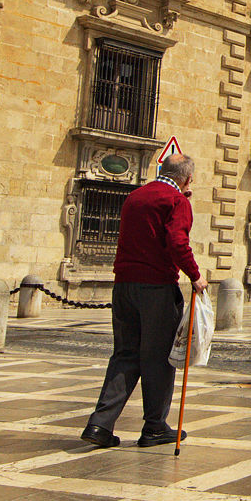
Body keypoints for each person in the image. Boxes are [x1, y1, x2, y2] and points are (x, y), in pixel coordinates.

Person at [80, 154, 201, 448]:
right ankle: (155, 427)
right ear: (187, 179)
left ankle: (100, 424)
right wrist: (195, 275)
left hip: (123, 285)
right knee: (159, 358)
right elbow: (176, 242)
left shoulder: (134, 196)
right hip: (156, 288)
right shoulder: (176, 202)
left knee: (124, 354)